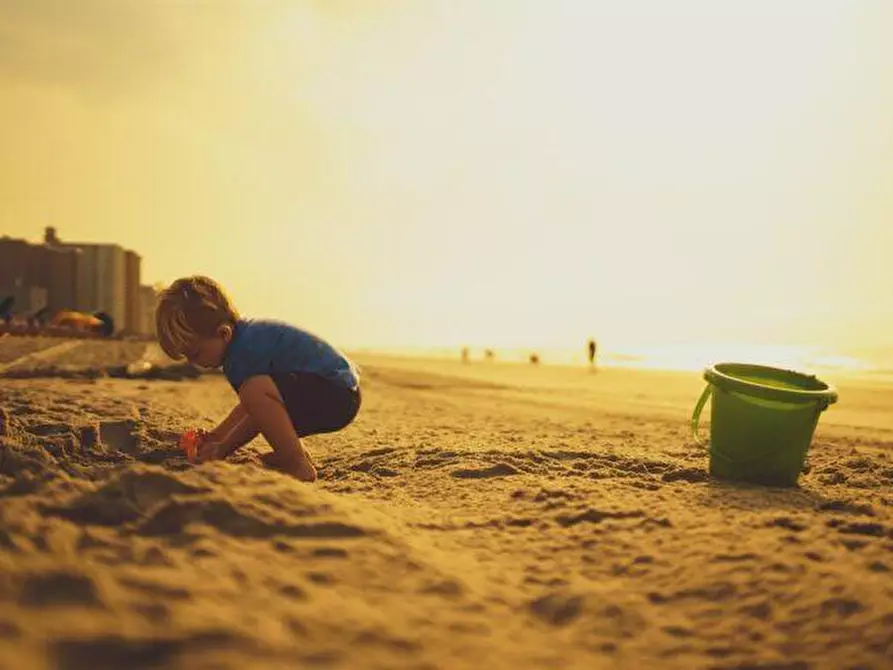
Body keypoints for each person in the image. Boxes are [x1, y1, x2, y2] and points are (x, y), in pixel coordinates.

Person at [154, 275, 361, 482]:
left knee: (255, 392)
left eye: (196, 353)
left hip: (334, 394)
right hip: (338, 392)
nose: (192, 363)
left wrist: (223, 449)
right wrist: (218, 435)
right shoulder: (244, 338)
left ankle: (296, 463)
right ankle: (292, 454)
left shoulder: (243, 352)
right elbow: (252, 407)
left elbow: (256, 408)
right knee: (257, 394)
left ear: (223, 333)